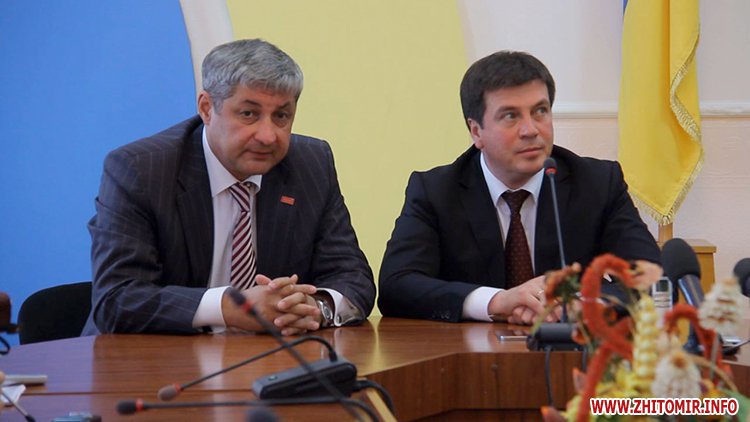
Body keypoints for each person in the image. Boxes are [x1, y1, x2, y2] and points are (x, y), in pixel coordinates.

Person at [82, 39, 374, 336]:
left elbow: (353, 277)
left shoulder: (310, 164)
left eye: (281, 116)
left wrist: (314, 308)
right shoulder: (141, 170)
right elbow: (117, 299)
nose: (268, 136)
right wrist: (232, 308)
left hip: (268, 356)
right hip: (147, 357)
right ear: (206, 108)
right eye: (249, 114)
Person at [378, 51, 660, 325]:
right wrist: (496, 301)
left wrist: (581, 303)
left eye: (540, 111)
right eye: (511, 116)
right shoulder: (436, 191)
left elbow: (652, 276)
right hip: (471, 352)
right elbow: (397, 285)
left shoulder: (597, 183)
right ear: (476, 131)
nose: (530, 130)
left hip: (571, 348)